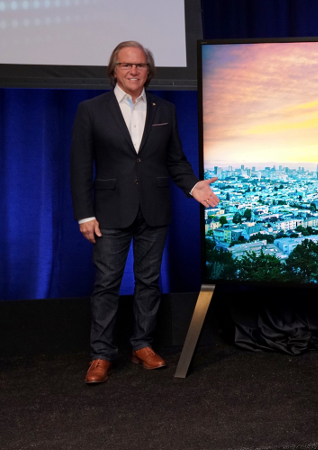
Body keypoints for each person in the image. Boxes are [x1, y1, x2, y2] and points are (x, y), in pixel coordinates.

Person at [71, 41, 220, 384]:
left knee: (148, 282)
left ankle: (142, 345)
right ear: (114, 70)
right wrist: (84, 215)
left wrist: (193, 185)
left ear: (148, 71)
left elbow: (175, 160)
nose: (133, 71)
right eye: (126, 65)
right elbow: (79, 167)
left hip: (154, 210)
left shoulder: (164, 109)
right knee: (107, 283)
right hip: (108, 212)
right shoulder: (91, 110)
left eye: (139, 65)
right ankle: (101, 354)